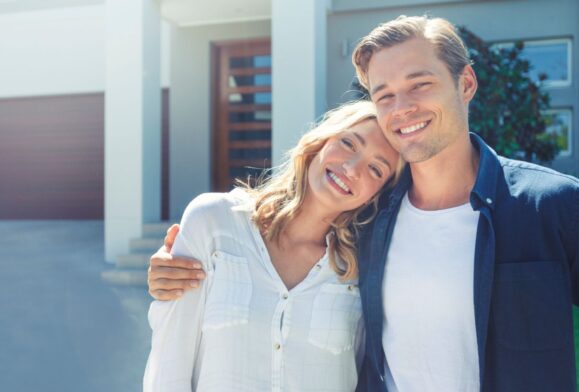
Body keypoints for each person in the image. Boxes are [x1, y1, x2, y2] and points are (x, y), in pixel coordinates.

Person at [147, 16, 579, 391]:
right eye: (384, 94)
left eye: (420, 84)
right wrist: (174, 270)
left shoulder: (553, 208)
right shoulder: (369, 221)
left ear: (464, 82)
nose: (402, 107)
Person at [143, 100, 403, 391]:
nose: (351, 168)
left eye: (376, 170)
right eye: (348, 143)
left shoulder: (362, 272)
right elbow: (168, 365)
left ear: (376, 195)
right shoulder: (213, 222)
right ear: (320, 142)